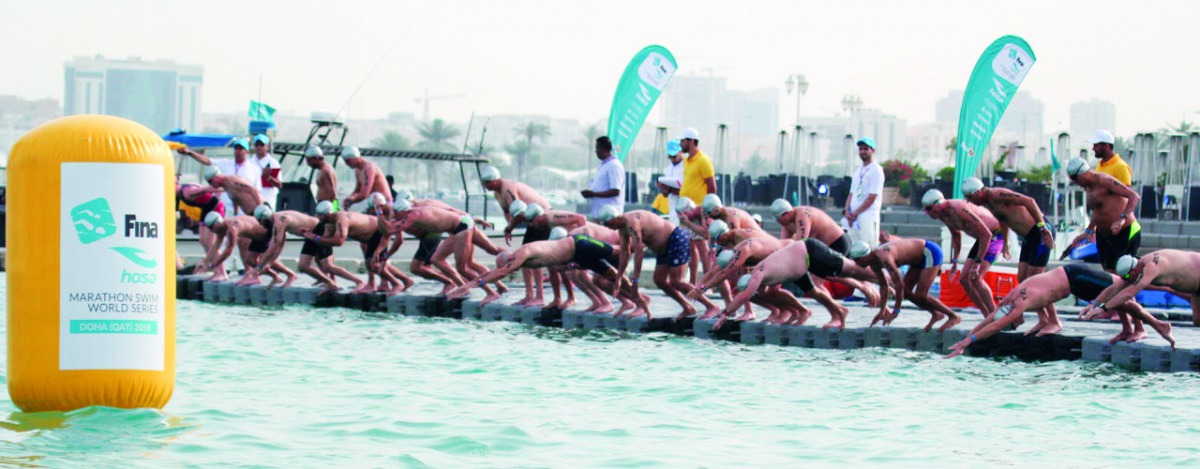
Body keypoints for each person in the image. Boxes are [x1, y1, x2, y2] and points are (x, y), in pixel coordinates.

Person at [946, 263, 1175, 358]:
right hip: (1070, 279)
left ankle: (1155, 325)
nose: (1014, 321)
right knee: (1118, 297)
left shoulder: (1019, 304)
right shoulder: (1010, 299)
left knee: (1120, 296)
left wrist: (969, 341)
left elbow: (996, 324)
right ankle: (1129, 328)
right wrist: (968, 338)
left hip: (1075, 277)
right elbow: (991, 319)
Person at [447, 227, 648, 315]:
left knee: (620, 252)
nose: (507, 270)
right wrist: (467, 285)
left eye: (507, 266)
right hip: (576, 255)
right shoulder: (518, 260)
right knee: (611, 277)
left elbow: (498, 274)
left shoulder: (522, 253)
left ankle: (648, 243)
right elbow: (493, 273)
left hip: (581, 244)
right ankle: (640, 300)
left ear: (509, 258)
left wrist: (473, 284)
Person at [962, 177, 1060, 335]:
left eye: (970, 198)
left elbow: (1030, 201)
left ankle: (1054, 321)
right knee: (1023, 278)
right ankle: (1043, 319)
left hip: (1039, 233)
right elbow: (1003, 220)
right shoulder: (989, 202)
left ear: (978, 192)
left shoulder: (998, 194)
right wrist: (1006, 244)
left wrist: (1042, 228)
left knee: (1036, 281)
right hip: (1028, 238)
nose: (971, 202)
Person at [719, 237, 879, 331]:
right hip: (797, 265)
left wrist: (724, 316)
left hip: (809, 252)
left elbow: (745, 295)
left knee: (852, 269)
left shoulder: (756, 275)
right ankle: (839, 311)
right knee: (814, 290)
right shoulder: (753, 273)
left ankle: (881, 280)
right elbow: (747, 293)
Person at [598, 207, 721, 321]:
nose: (609, 228)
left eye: (608, 224)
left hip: (676, 238)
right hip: (664, 248)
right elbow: (625, 253)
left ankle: (712, 306)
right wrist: (619, 278)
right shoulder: (622, 229)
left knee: (677, 281)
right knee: (659, 280)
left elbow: (639, 252)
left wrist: (635, 282)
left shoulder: (632, 222)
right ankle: (688, 308)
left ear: (615, 218)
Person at [384, 198, 503, 300]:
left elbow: (389, 230)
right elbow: (451, 210)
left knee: (463, 268)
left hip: (462, 227)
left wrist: (379, 213)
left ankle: (490, 292)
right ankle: (500, 286)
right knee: (438, 259)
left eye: (395, 213)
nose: (394, 216)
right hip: (463, 223)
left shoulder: (414, 214)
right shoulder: (420, 208)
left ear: (404, 210)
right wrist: (473, 218)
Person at [921, 189, 1005, 321]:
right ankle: (987, 315)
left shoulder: (958, 208)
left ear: (938, 204)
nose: (928, 213)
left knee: (976, 277)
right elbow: (956, 235)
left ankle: (995, 315)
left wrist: (977, 263)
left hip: (995, 235)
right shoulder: (943, 214)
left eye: (929, 209)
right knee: (964, 280)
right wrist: (955, 262)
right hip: (982, 238)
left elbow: (987, 234)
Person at [848, 239, 961, 332]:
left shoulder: (885, 258)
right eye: (853, 260)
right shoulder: (872, 261)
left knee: (921, 294)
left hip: (929, 252)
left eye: (858, 260)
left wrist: (896, 312)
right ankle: (936, 314)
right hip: (917, 258)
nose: (856, 263)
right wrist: (882, 310)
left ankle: (953, 316)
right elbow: (883, 285)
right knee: (907, 292)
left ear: (867, 255)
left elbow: (899, 285)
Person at [480, 165, 552, 306]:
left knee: (533, 258)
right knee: (524, 259)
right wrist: (509, 229)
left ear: (494, 180)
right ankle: (530, 295)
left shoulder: (508, 188)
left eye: (486, 183)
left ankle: (539, 296)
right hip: (532, 222)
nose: (485, 186)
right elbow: (508, 213)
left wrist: (509, 228)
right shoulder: (498, 193)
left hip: (542, 219)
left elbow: (519, 212)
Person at [1085, 251, 1200, 332]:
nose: (1127, 280)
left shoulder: (1151, 267)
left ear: (1134, 270)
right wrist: (1094, 304)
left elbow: (1129, 293)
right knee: (1198, 322)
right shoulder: (1139, 265)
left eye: (1128, 277)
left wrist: (1103, 308)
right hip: (1195, 287)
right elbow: (1115, 287)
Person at [1065, 157, 1142, 272]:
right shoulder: (1087, 187)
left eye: (1075, 179)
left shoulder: (1105, 181)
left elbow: (1134, 196)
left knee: (1122, 272)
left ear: (1083, 173)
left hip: (1125, 230)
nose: (1076, 183)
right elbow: (1097, 211)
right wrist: (1089, 231)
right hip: (1105, 235)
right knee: (1108, 272)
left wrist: (1122, 219)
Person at [257, 208, 349, 293]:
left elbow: (274, 246)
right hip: (315, 230)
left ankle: (333, 283)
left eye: (260, 221)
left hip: (317, 231)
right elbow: (279, 244)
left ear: (263, 218)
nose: (260, 224)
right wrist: (269, 262)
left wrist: (260, 265)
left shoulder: (279, 221)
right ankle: (329, 281)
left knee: (310, 266)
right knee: (322, 264)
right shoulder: (278, 218)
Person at [201, 208, 296, 288]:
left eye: (210, 228)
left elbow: (228, 251)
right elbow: (215, 246)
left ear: (217, 224)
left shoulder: (232, 228)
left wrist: (212, 266)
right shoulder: (221, 227)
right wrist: (204, 262)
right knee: (250, 260)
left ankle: (291, 275)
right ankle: (275, 277)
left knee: (267, 261)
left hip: (268, 233)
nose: (210, 230)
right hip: (258, 238)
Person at [178, 138, 262, 216]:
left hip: (245, 210)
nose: (238, 151)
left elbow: (257, 191)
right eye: (236, 148)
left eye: (241, 148)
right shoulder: (226, 163)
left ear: (246, 151)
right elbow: (207, 161)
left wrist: (260, 208)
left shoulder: (254, 170)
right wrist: (190, 153)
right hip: (225, 209)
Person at [678, 127, 717, 285]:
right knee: (691, 250)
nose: (681, 144)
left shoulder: (703, 160)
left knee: (703, 249)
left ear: (691, 142)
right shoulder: (686, 161)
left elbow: (712, 188)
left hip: (699, 212)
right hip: (686, 212)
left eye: (683, 141)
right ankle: (694, 283)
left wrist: (702, 211)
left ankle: (707, 284)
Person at [844, 137, 884, 247]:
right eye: (860, 149)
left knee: (869, 250)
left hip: (868, 218)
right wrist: (847, 211)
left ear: (872, 150)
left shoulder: (876, 170)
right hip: (853, 220)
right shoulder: (858, 170)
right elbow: (851, 194)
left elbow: (872, 197)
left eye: (866, 149)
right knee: (853, 250)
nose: (862, 152)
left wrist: (855, 213)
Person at [771, 199, 851, 253]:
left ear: (786, 214)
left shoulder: (802, 215)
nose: (778, 222)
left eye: (778, 219)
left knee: (824, 276)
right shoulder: (786, 223)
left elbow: (800, 244)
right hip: (826, 248)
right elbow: (781, 247)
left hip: (838, 243)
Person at [581, 136, 625, 219]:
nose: (596, 151)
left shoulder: (614, 166)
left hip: (610, 216)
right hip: (599, 214)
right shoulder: (604, 165)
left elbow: (615, 191)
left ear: (603, 149)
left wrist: (594, 194)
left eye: (597, 148)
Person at [340, 146, 393, 213]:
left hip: (385, 206)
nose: (346, 164)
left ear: (355, 158)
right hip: (374, 206)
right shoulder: (357, 170)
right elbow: (357, 191)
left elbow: (364, 194)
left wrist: (351, 201)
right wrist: (348, 199)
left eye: (348, 161)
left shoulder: (369, 168)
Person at [656, 139, 686, 224]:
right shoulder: (668, 169)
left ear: (680, 152)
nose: (672, 159)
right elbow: (665, 195)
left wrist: (670, 189)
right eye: (670, 156)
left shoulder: (686, 167)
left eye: (674, 156)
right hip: (672, 210)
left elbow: (686, 191)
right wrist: (662, 187)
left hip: (685, 210)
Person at [303, 145, 339, 210]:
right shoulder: (324, 170)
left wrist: (333, 210)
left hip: (327, 207)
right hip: (325, 206)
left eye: (309, 161)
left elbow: (333, 193)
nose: (308, 164)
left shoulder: (325, 171)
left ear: (316, 158)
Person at [251, 133, 282, 208]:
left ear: (267, 146)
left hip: (268, 199)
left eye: (261, 145)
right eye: (257, 145)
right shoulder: (249, 162)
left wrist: (269, 178)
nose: (259, 147)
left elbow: (279, 184)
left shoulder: (273, 163)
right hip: (252, 199)